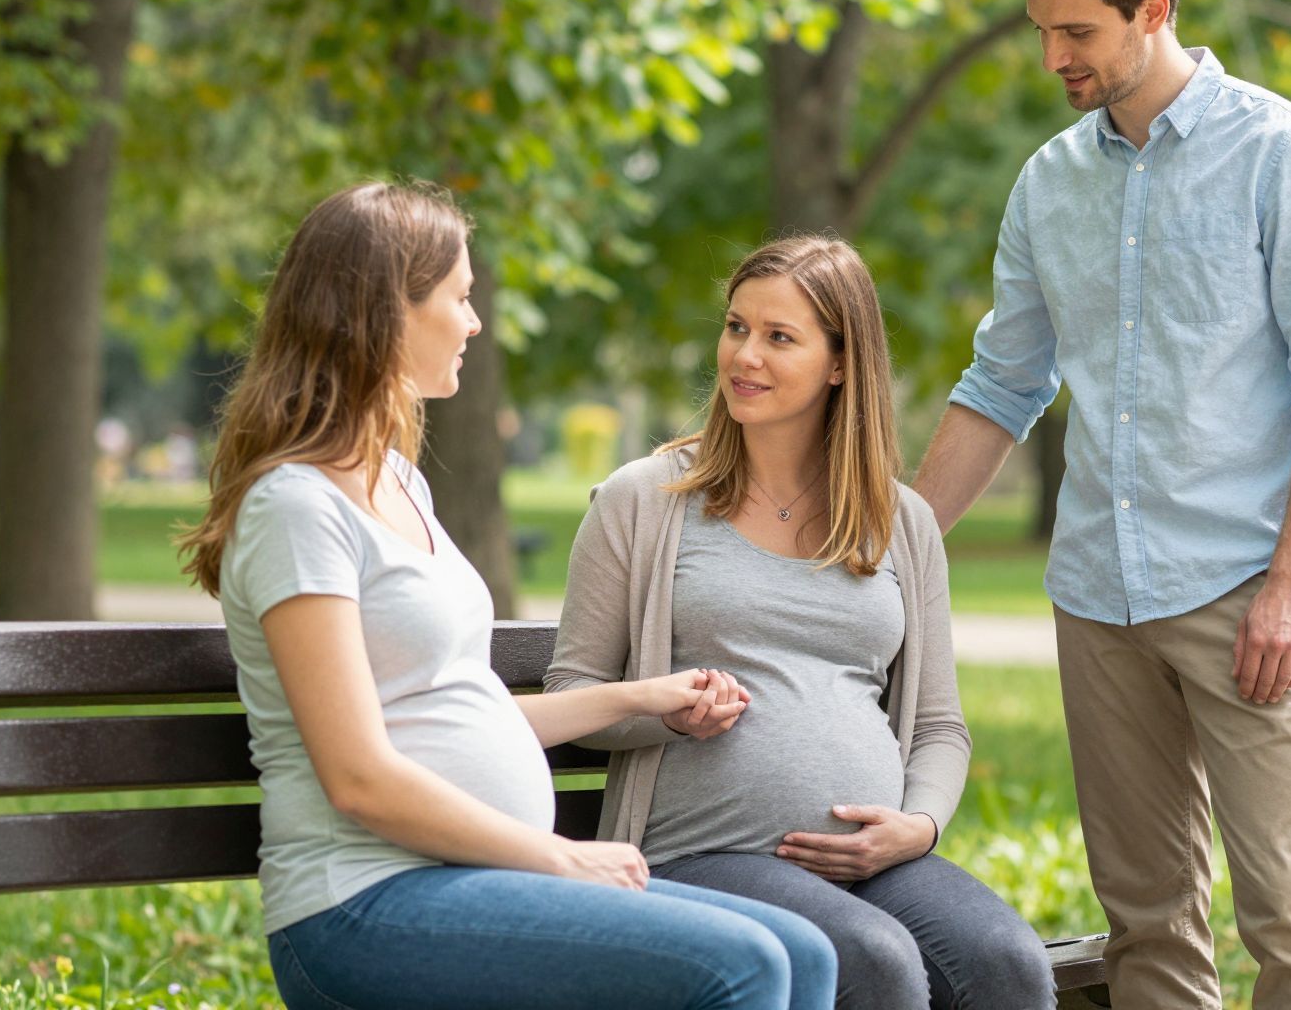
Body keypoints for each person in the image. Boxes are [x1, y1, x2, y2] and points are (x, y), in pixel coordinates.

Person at [179, 181, 836, 1010]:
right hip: (364, 902)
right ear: (388, 311)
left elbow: (452, 711)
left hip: (470, 880)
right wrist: (560, 856)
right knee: (745, 965)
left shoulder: (396, 481)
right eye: (459, 297)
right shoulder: (296, 509)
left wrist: (642, 698)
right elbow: (358, 779)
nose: (475, 323)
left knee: (805, 954)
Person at [911, 0, 1291, 1010]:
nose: (1053, 58)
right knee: (1147, 923)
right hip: (1097, 600)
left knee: (1290, 911)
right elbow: (1001, 386)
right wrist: (892, 541)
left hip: (1245, 594)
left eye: (1076, 31)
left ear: (1153, 10)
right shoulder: (1049, 182)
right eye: (1041, 31)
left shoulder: (1279, 153)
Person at [548, 235, 1056, 1010]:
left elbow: (939, 726)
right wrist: (666, 713)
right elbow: (572, 692)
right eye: (736, 327)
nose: (744, 355)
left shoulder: (900, 522)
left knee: (1007, 962)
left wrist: (918, 826)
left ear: (840, 363)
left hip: (879, 863)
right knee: (872, 959)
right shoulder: (644, 501)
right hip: (700, 854)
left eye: (779, 337)